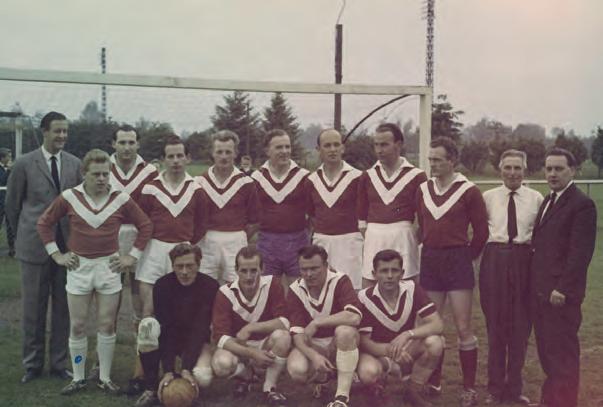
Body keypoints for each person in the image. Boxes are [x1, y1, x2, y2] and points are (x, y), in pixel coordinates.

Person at [37, 149, 153, 395]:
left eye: (105, 174)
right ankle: (79, 376)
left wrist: (131, 257)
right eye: (96, 174)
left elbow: (145, 225)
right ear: (84, 173)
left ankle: (104, 377)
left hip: (108, 267)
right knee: (78, 325)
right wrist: (57, 255)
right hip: (79, 267)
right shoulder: (70, 197)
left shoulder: (120, 198)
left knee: (106, 325)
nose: (101, 179)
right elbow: (44, 223)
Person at [5, 111, 83, 384]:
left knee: (63, 309)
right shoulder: (25, 163)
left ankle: (59, 364)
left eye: (65, 131)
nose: (62, 136)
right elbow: (12, 206)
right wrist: (24, 237)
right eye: (57, 131)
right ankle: (32, 364)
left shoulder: (75, 164)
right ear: (45, 131)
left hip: (67, 250)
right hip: (34, 248)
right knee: (33, 310)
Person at [415, 137, 488, 406]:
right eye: (430, 159)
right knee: (432, 325)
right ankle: (434, 380)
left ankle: (468, 388)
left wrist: (465, 257)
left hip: (458, 260)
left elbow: (481, 232)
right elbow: (421, 226)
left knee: (463, 326)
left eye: (437, 159)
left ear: (452, 160)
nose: (432, 164)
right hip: (431, 260)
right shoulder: (423, 189)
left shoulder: (469, 190)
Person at [529, 148, 597, 407]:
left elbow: (580, 254)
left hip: (560, 297)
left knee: (563, 357)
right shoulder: (549, 200)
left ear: (573, 170)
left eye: (559, 169)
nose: (552, 174)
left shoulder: (582, 205)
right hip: (541, 293)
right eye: (549, 169)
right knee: (548, 354)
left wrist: (563, 289)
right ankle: (550, 401)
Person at [479, 150, 542, 405]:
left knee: (520, 328)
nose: (513, 173)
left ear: (525, 170)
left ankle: (514, 388)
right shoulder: (488, 197)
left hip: (524, 260)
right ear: (500, 169)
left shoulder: (536, 198)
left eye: (518, 168)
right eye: (508, 167)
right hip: (495, 260)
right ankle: (494, 389)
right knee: (496, 327)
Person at [135, 243, 219, 407]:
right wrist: (168, 370)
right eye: (179, 266)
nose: (184, 271)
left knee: (203, 376)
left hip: (198, 338)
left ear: (198, 264)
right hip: (169, 336)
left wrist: (186, 368)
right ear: (172, 265)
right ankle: (151, 387)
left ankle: (188, 390)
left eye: (190, 266)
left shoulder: (210, 286)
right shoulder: (162, 285)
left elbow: (200, 328)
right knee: (147, 327)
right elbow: (166, 327)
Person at [357, 250, 444, 407]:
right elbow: (364, 342)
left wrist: (408, 334)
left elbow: (437, 324)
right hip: (378, 353)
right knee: (368, 372)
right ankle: (375, 390)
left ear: (402, 273)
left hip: (406, 350)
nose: (390, 276)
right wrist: (391, 351)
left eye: (394, 270)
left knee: (435, 342)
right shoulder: (364, 298)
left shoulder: (412, 289)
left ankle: (413, 391)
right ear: (374, 274)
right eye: (384, 271)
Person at [109, 125, 158, 393]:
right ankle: (103, 366)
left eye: (131, 142)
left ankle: (141, 367)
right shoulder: (104, 168)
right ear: (113, 144)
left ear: (138, 144)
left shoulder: (149, 172)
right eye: (122, 142)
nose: (127, 147)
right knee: (109, 306)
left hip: (141, 241)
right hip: (111, 241)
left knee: (141, 307)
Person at [211, 246, 291, 406]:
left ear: (262, 269)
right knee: (221, 365)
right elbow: (220, 337)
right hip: (239, 344)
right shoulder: (225, 292)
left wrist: (251, 327)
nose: (248, 276)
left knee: (283, 337)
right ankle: (246, 374)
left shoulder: (272, 284)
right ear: (236, 270)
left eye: (254, 270)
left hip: (265, 342)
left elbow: (284, 322)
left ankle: (269, 388)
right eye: (244, 271)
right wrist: (252, 353)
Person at [136, 135, 205, 319]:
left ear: (187, 158)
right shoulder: (150, 188)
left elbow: (202, 224)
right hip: (154, 249)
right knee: (149, 310)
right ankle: (146, 337)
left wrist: (186, 244)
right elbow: (142, 221)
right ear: (163, 159)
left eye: (180, 156)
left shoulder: (197, 189)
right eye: (171, 156)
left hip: (183, 250)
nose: (175, 161)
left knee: (181, 311)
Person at [286, 245, 362, 407]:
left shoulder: (340, 280)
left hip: (338, 341)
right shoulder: (295, 289)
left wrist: (317, 322)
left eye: (314, 268)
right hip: (314, 344)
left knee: (345, 331)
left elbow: (354, 317)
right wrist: (313, 356)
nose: (309, 274)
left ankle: (341, 397)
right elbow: (297, 335)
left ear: (326, 266)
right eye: (304, 269)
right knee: (296, 369)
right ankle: (324, 378)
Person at [357, 123, 427, 287]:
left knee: (407, 285)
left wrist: (413, 237)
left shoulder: (417, 176)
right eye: (376, 145)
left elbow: (424, 217)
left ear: (398, 145)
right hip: (374, 236)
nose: (379, 150)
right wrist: (374, 234)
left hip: (403, 236)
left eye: (384, 145)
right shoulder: (367, 176)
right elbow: (361, 216)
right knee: (370, 286)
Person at [195, 130, 258, 284]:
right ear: (212, 153)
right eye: (219, 152)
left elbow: (254, 220)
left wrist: (238, 236)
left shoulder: (246, 182)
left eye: (228, 152)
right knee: (205, 284)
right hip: (207, 240)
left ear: (235, 153)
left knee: (236, 285)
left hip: (236, 239)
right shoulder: (199, 182)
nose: (224, 156)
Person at [252, 129, 310, 290]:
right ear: (267, 151)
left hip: (298, 241)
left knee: (299, 291)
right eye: (279, 147)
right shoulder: (256, 178)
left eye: (287, 146)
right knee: (268, 292)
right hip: (267, 242)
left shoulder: (304, 177)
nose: (284, 151)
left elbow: (313, 213)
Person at [306, 129, 363, 289]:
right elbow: (312, 215)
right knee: (323, 290)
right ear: (318, 150)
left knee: (352, 289)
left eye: (336, 145)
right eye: (327, 145)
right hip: (322, 242)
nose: (332, 149)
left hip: (350, 243)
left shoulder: (358, 177)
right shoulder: (311, 180)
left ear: (343, 148)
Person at [0, 147, 15, 256]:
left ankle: (12, 249)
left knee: (10, 226)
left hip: (9, 201)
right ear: (2, 158)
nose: (10, 159)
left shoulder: (11, 169)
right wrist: (9, 170)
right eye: (8, 156)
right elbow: (2, 181)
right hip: (0, 201)